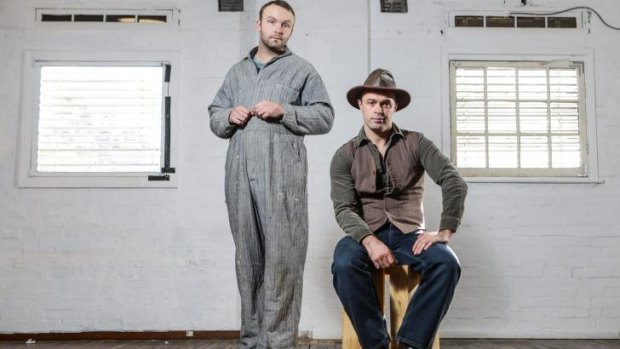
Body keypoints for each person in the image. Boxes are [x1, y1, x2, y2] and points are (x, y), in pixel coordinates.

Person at [208, 1, 334, 348]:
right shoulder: (236, 73)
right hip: (239, 179)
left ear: (291, 31)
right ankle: (252, 341)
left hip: (283, 183)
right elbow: (214, 113)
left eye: (286, 25)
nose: (278, 29)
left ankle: (279, 343)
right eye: (273, 22)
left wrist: (286, 110)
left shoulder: (302, 71)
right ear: (259, 24)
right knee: (248, 262)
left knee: (283, 263)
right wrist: (226, 116)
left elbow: (325, 116)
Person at [330, 68, 467, 349]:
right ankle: (376, 343)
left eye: (386, 103)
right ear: (360, 104)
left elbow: (453, 180)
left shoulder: (417, 143)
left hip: (409, 235)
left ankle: (411, 343)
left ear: (394, 107)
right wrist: (369, 241)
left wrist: (444, 231)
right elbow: (344, 208)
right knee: (343, 263)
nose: (378, 110)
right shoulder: (345, 155)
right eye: (372, 102)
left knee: (447, 263)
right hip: (365, 234)